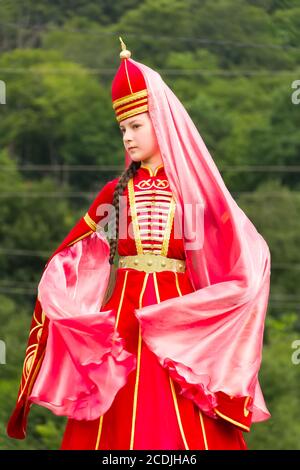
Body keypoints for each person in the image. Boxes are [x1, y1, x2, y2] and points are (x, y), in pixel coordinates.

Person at [7, 38, 271, 450]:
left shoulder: (194, 194)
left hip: (178, 320)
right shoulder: (114, 192)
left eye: (136, 126)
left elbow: (241, 251)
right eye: (123, 129)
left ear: (161, 123)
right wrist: (65, 297)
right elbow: (73, 253)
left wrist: (230, 295)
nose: (128, 137)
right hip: (122, 324)